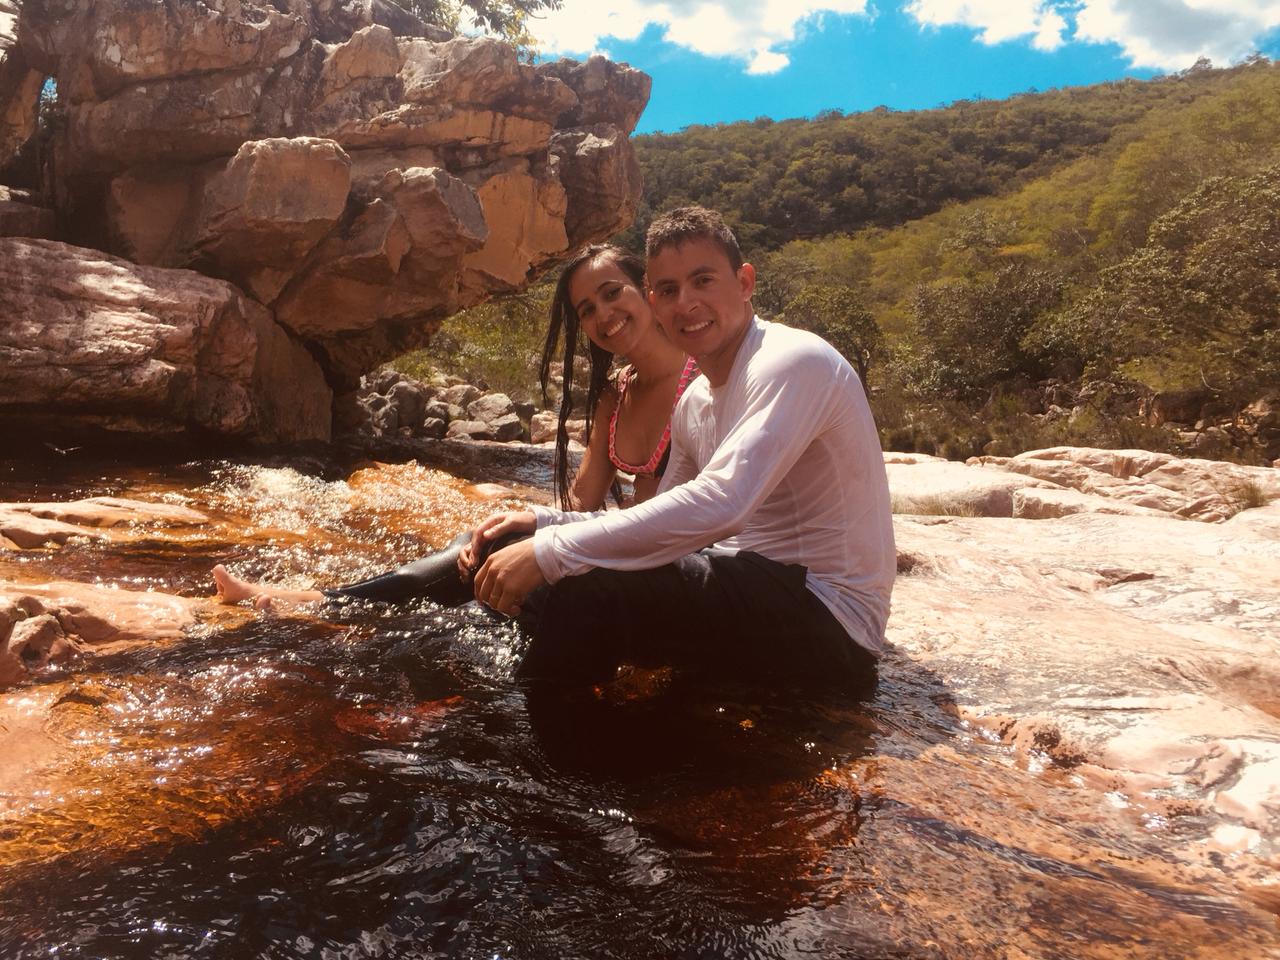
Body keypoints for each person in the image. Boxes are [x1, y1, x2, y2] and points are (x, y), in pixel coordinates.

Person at [463, 206, 896, 691]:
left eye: (703, 281)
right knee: (522, 560)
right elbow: (661, 520)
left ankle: (537, 737)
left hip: (830, 615)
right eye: (668, 290)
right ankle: (493, 692)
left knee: (590, 589)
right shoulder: (695, 401)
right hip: (747, 583)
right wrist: (543, 524)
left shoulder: (791, 360)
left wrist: (552, 550)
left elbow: (723, 504)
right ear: (654, 301)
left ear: (745, 282)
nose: (685, 303)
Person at [213, 245, 697, 609]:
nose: (603, 315)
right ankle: (324, 602)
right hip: (622, 547)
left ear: (647, 290)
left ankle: (318, 604)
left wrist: (538, 537)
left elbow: (676, 521)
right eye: (587, 309)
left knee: (508, 554)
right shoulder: (615, 395)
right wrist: (520, 522)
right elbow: (581, 503)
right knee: (482, 543)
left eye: (612, 293)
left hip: (678, 564)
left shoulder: (700, 381)